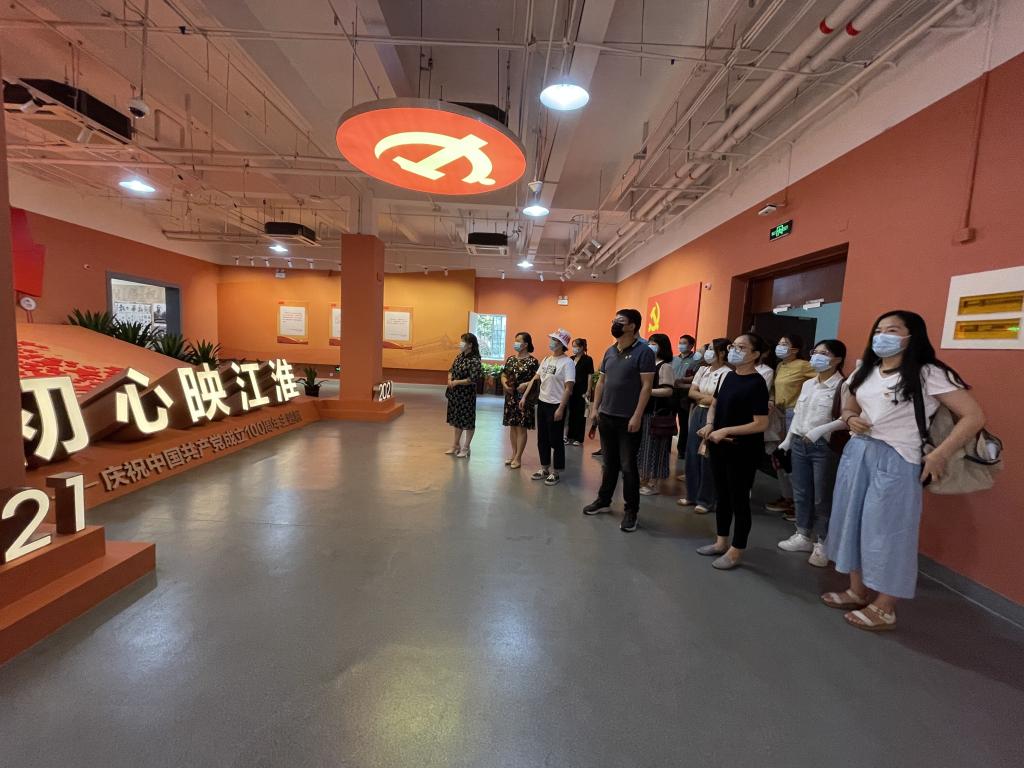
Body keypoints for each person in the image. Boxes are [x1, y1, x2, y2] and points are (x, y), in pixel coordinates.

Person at [822, 310, 984, 631]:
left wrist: (939, 454)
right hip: (858, 452)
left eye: (893, 330)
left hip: (897, 459)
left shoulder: (928, 373)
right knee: (851, 520)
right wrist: (851, 418)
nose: (882, 336)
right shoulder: (866, 370)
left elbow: (973, 416)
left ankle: (885, 606)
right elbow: (850, 404)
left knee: (888, 531)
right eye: (879, 329)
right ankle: (856, 589)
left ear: (911, 336)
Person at [696, 333, 770, 570]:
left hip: (743, 450)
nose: (734, 351)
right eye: (733, 346)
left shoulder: (757, 384)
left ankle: (736, 550)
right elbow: (715, 404)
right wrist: (710, 424)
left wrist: (726, 430)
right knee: (722, 495)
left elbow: (760, 423)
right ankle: (721, 542)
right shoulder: (728, 376)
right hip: (720, 445)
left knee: (739, 499)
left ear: (755, 354)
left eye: (741, 347)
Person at [583, 309, 656, 532]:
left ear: (632, 326)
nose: (615, 324)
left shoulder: (644, 352)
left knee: (628, 466)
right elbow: (601, 382)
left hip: (628, 419)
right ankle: (604, 500)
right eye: (614, 320)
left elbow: (646, 387)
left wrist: (637, 415)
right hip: (606, 416)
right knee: (609, 463)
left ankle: (631, 511)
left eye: (620, 321)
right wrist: (595, 408)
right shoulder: (610, 350)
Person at [776, 339, 848, 568]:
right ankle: (803, 534)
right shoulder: (808, 384)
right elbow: (799, 414)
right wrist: (788, 440)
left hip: (824, 447)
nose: (817, 357)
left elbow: (847, 418)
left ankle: (823, 542)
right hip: (799, 443)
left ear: (837, 359)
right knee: (801, 491)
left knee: (822, 496)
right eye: (815, 352)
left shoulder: (843, 386)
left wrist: (819, 432)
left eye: (824, 353)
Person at [678, 338, 730, 514]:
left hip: (715, 416)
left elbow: (720, 400)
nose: (707, 352)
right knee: (692, 453)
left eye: (711, 349)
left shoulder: (726, 373)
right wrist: (708, 398)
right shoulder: (702, 369)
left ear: (721, 353)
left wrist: (706, 398)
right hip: (698, 411)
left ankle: (706, 500)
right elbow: (692, 392)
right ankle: (691, 495)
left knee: (707, 456)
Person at [766, 334, 815, 517]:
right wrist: (772, 399)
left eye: (784, 344)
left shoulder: (804, 365)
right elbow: (775, 388)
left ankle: (799, 502)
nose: (780, 346)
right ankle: (786, 496)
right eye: (779, 343)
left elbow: (820, 381)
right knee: (779, 457)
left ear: (795, 349)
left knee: (792, 459)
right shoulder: (780, 365)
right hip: (778, 414)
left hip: (793, 414)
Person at [520, 329, 576, 486]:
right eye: (552, 339)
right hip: (543, 403)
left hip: (556, 404)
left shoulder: (567, 363)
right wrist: (524, 396)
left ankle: (556, 471)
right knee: (542, 438)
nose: (551, 342)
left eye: (555, 340)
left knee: (556, 439)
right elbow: (536, 378)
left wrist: (561, 408)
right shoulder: (546, 359)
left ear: (562, 344)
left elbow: (569, 388)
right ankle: (544, 468)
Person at [639, 333, 676, 496]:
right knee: (644, 447)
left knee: (655, 448)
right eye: (649, 343)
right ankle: (643, 478)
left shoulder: (665, 366)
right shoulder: (647, 364)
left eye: (654, 344)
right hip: (644, 410)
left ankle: (653, 482)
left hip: (656, 413)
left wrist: (647, 391)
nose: (650, 346)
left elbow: (668, 390)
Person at [500, 332, 540, 469]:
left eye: (518, 341)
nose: (515, 343)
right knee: (512, 426)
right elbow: (504, 374)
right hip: (511, 397)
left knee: (521, 427)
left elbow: (537, 379)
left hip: (524, 398)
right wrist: (505, 385)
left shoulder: (533, 361)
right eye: (515, 340)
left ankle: (518, 457)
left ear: (526, 344)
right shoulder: (511, 359)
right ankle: (513, 453)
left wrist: (526, 384)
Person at [445, 332, 483, 458]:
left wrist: (457, 382)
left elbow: (473, 378)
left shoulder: (475, 360)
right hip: (455, 394)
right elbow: (451, 370)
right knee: (457, 419)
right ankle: (456, 445)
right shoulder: (460, 356)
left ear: (470, 345)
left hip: (467, 395)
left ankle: (466, 447)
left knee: (467, 421)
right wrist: (450, 379)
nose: (460, 344)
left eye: (463, 342)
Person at [671, 334, 702, 467]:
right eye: (680, 342)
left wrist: (682, 381)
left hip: (685, 395)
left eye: (684, 343)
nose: (681, 345)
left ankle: (682, 450)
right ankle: (666, 447)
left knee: (684, 423)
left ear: (691, 346)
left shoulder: (696, 361)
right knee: (669, 420)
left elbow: (695, 378)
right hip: (672, 393)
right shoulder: (673, 359)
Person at [565, 338, 594, 445]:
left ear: (582, 347)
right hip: (571, 389)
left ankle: (579, 438)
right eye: (573, 346)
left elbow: (590, 375)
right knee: (571, 412)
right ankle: (570, 436)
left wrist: (588, 390)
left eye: (575, 346)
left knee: (580, 413)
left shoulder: (588, 359)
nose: (574, 348)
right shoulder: (571, 359)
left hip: (582, 389)